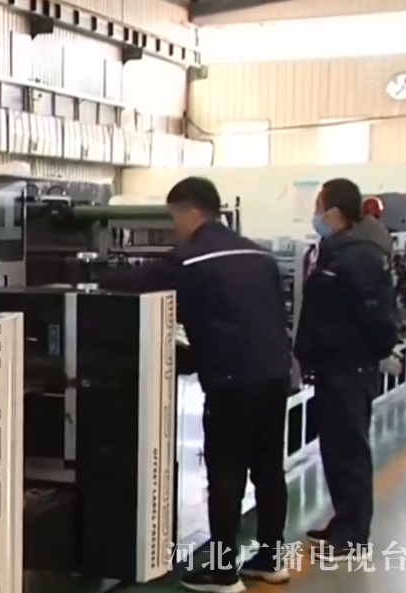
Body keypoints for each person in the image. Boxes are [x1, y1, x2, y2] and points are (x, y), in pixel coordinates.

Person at [99, 177, 293, 592]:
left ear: (191, 212)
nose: (174, 228)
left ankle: (223, 573)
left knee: (226, 474)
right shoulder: (258, 254)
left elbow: (130, 285)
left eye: (174, 218)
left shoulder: (190, 258)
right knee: (268, 470)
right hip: (275, 374)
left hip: (232, 380)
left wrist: (90, 279)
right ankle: (270, 559)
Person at [295, 179, 397, 562]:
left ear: (334, 213)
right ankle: (344, 522)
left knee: (349, 452)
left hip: (349, 369)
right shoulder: (337, 251)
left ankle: (353, 536)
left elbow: (377, 314)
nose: (316, 215)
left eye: (319, 208)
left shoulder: (359, 257)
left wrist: (379, 352)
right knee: (336, 451)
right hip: (333, 366)